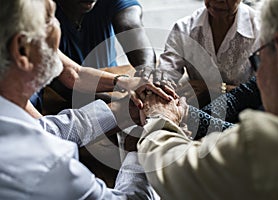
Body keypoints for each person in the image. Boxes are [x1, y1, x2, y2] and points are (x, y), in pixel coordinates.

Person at [137, 0, 278, 199]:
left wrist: (161, 119)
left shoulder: (269, 140)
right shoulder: (185, 28)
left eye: (259, 59)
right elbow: (242, 95)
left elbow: (174, 170)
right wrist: (183, 112)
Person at [0, 0, 160, 199]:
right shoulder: (51, 164)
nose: (58, 25)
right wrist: (140, 149)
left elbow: (46, 126)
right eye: (49, 19)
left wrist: (120, 109)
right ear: (22, 50)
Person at [39, 0, 157, 110]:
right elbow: (69, 78)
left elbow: (130, 26)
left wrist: (146, 72)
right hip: (59, 99)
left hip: (106, 85)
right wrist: (121, 106)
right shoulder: (36, 11)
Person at [158, 0, 260, 107]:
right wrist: (162, 88)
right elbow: (165, 75)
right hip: (197, 109)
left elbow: (267, 90)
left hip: (246, 111)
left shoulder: (261, 30)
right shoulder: (184, 28)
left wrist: (217, 89)